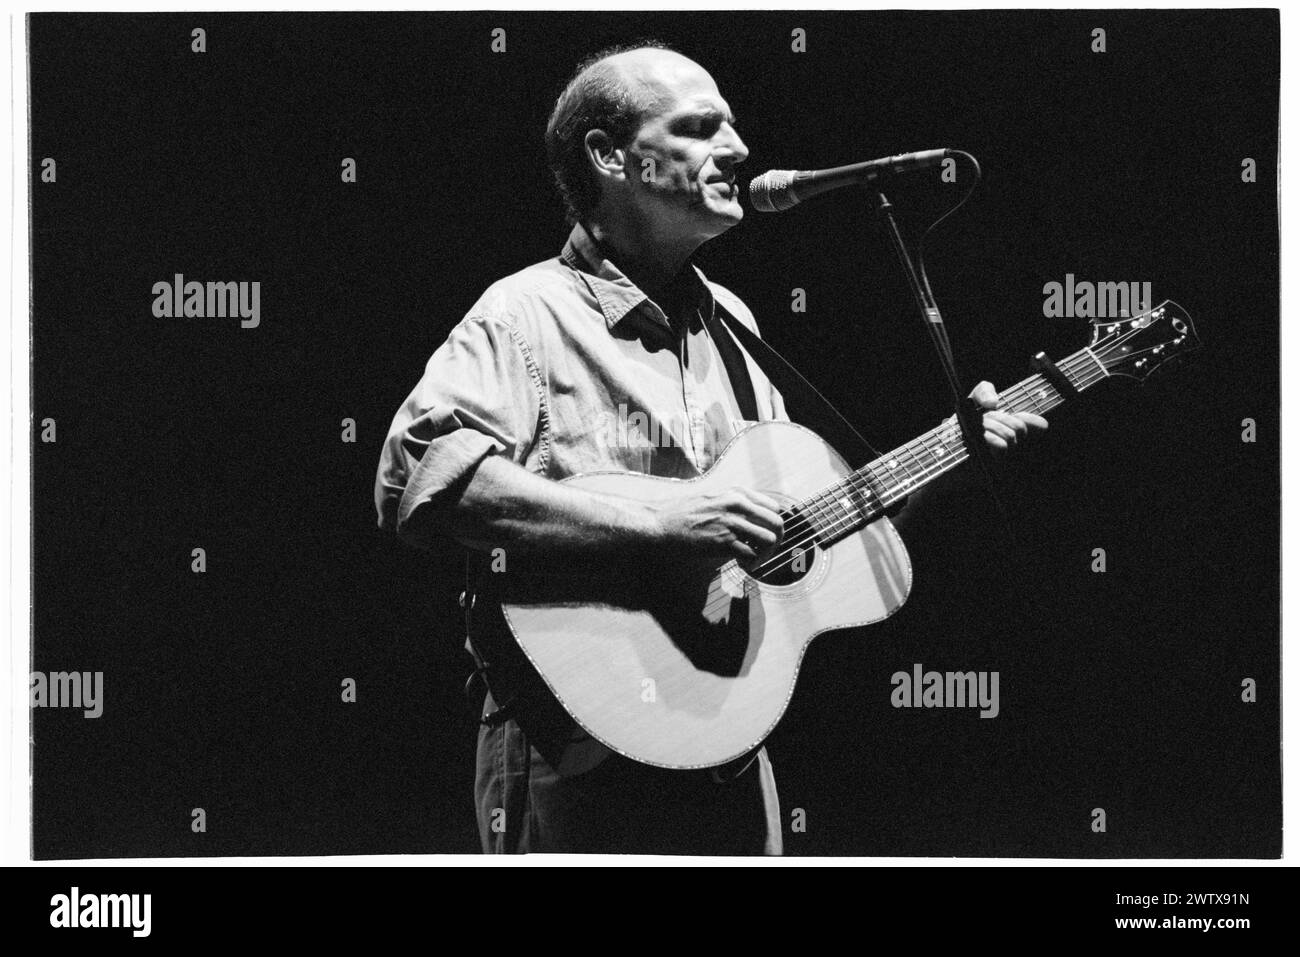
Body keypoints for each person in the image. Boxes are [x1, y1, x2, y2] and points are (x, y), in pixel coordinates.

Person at [375, 42, 1046, 855]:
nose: (736, 148)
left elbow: (799, 536)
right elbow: (420, 481)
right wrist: (660, 526)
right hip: (575, 751)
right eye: (698, 128)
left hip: (726, 746)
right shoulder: (524, 315)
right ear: (610, 156)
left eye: (732, 125)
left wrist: (950, 458)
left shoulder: (733, 324)